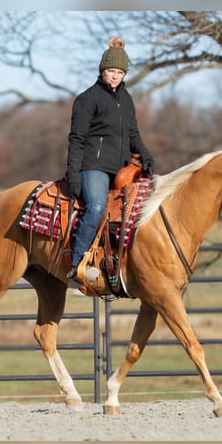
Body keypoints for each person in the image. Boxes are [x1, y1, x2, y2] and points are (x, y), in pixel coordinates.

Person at [66, 36, 155, 283]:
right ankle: (76, 265)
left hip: (120, 169)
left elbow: (133, 134)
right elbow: (76, 139)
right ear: (102, 71)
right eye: (110, 71)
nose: (114, 76)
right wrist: (74, 175)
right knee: (95, 207)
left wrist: (145, 155)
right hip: (92, 167)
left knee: (134, 213)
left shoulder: (126, 100)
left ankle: (116, 267)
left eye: (119, 72)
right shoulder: (87, 99)